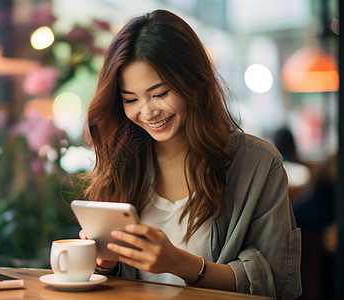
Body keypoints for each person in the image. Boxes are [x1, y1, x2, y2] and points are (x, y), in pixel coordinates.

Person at [80, 9, 301, 299]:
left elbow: (275, 283)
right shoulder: (123, 161)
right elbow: (116, 283)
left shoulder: (259, 165)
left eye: (160, 93)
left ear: (195, 82)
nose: (147, 112)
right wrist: (105, 265)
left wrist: (182, 264)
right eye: (131, 99)